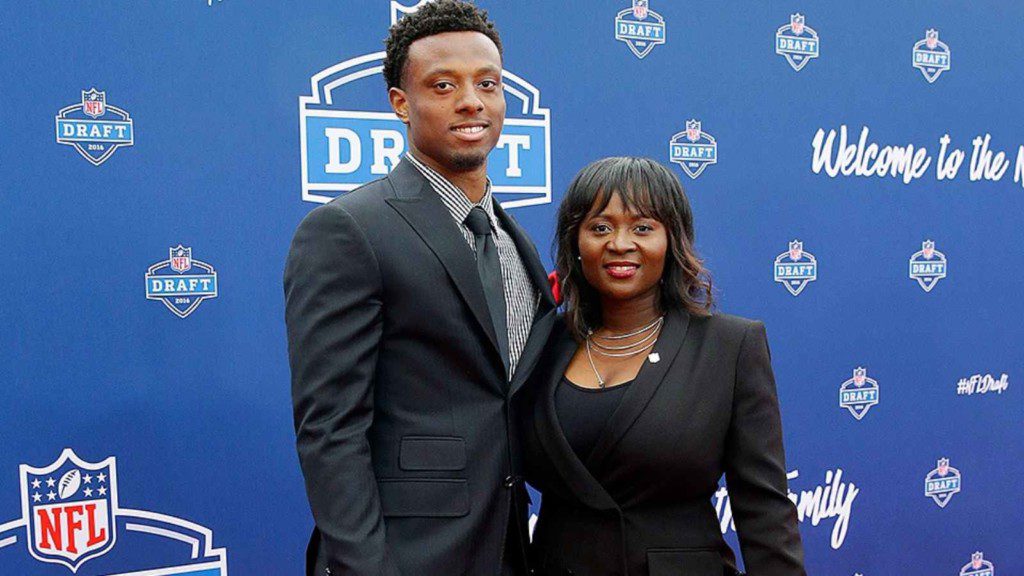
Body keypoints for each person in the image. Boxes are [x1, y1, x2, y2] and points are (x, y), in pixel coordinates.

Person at [283, 2, 556, 575]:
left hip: (508, 548)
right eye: (443, 85)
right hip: (404, 557)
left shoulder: (516, 242)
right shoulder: (348, 229)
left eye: (488, 83)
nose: (471, 101)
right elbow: (331, 431)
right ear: (400, 104)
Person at [518, 157, 806, 575]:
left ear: (672, 240)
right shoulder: (541, 344)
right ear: (575, 243)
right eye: (600, 227)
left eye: (642, 227)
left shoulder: (730, 346)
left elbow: (764, 508)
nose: (619, 243)